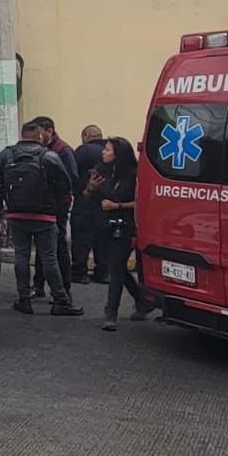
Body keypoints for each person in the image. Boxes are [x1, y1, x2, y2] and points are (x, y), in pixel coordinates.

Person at [0, 119, 84, 317]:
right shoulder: (49, 156)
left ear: (22, 134)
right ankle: (60, 300)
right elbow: (65, 185)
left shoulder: (6, 155)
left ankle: (24, 299)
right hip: (45, 216)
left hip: (17, 214)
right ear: (40, 135)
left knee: (21, 256)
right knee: (49, 257)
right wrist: (58, 210)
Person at [86, 137, 153, 331]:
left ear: (118, 153)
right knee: (117, 267)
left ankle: (110, 313)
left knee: (115, 268)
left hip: (124, 226)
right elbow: (87, 196)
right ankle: (142, 300)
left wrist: (117, 206)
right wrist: (90, 188)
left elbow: (141, 202)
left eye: (107, 149)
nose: (103, 152)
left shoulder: (134, 174)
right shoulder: (100, 171)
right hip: (103, 225)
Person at [31, 116, 79, 299]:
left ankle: (64, 289)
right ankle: (39, 284)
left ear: (49, 131)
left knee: (58, 247)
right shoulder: (42, 149)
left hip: (57, 206)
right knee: (43, 246)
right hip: (43, 206)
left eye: (39, 132)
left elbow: (72, 179)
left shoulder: (63, 151)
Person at [70, 125, 107, 285]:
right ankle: (103, 272)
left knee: (81, 239)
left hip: (84, 201)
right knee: (102, 238)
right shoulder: (111, 151)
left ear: (86, 136)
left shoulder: (82, 151)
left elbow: (72, 174)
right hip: (107, 203)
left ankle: (80, 272)